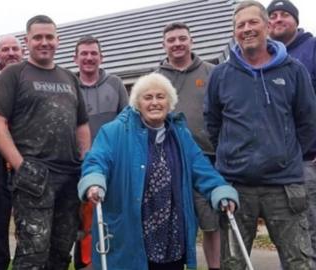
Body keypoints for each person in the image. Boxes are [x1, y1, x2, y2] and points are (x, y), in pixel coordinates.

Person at [78, 72, 238, 270]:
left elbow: (201, 167)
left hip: (171, 233)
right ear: (137, 102)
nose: (154, 103)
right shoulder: (114, 131)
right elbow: (96, 160)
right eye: (148, 97)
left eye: (160, 97)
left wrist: (220, 191)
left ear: (169, 102)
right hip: (132, 232)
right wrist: (94, 181)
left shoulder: (179, 134)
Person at [204, 1, 316, 269]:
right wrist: (232, 155)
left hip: (285, 186)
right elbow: (213, 123)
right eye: (240, 25)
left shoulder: (293, 71)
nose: (247, 29)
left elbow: (308, 122)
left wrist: (285, 154)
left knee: (299, 262)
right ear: (234, 33)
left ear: (267, 26)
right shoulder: (220, 75)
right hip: (235, 186)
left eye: (253, 22)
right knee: (233, 264)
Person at [0, 15, 91, 269]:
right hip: (34, 177)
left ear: (58, 40)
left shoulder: (69, 78)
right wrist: (21, 165)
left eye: (49, 37)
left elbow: (82, 125)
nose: (44, 42)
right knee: (32, 254)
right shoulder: (14, 74)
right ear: (27, 41)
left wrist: (86, 162)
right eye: (38, 37)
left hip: (70, 177)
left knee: (60, 252)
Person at [155, 22, 220, 270]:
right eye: (171, 40)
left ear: (191, 41)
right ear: (164, 45)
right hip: (169, 160)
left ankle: (215, 266)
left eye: (182, 38)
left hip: (207, 159)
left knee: (211, 222)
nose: (177, 43)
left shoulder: (212, 72)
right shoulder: (156, 77)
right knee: (179, 222)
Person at [72, 35, 128, 270]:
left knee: (110, 221)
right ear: (76, 58)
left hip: (111, 166)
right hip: (76, 165)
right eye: (84, 53)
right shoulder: (68, 84)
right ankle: (85, 265)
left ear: (101, 57)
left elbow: (127, 120)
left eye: (93, 53)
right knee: (81, 225)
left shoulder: (115, 84)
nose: (89, 58)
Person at [267, 1, 316, 264]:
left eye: (284, 14)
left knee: (311, 228)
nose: (277, 19)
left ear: (295, 20)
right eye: (272, 15)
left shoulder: (312, 49)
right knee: (290, 235)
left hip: (308, 158)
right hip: (277, 161)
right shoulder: (266, 56)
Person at [0, 34, 24, 270]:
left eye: (15, 48)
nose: (11, 53)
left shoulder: (33, 77)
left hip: (27, 164)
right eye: (5, 49)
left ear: (23, 52)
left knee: (28, 228)